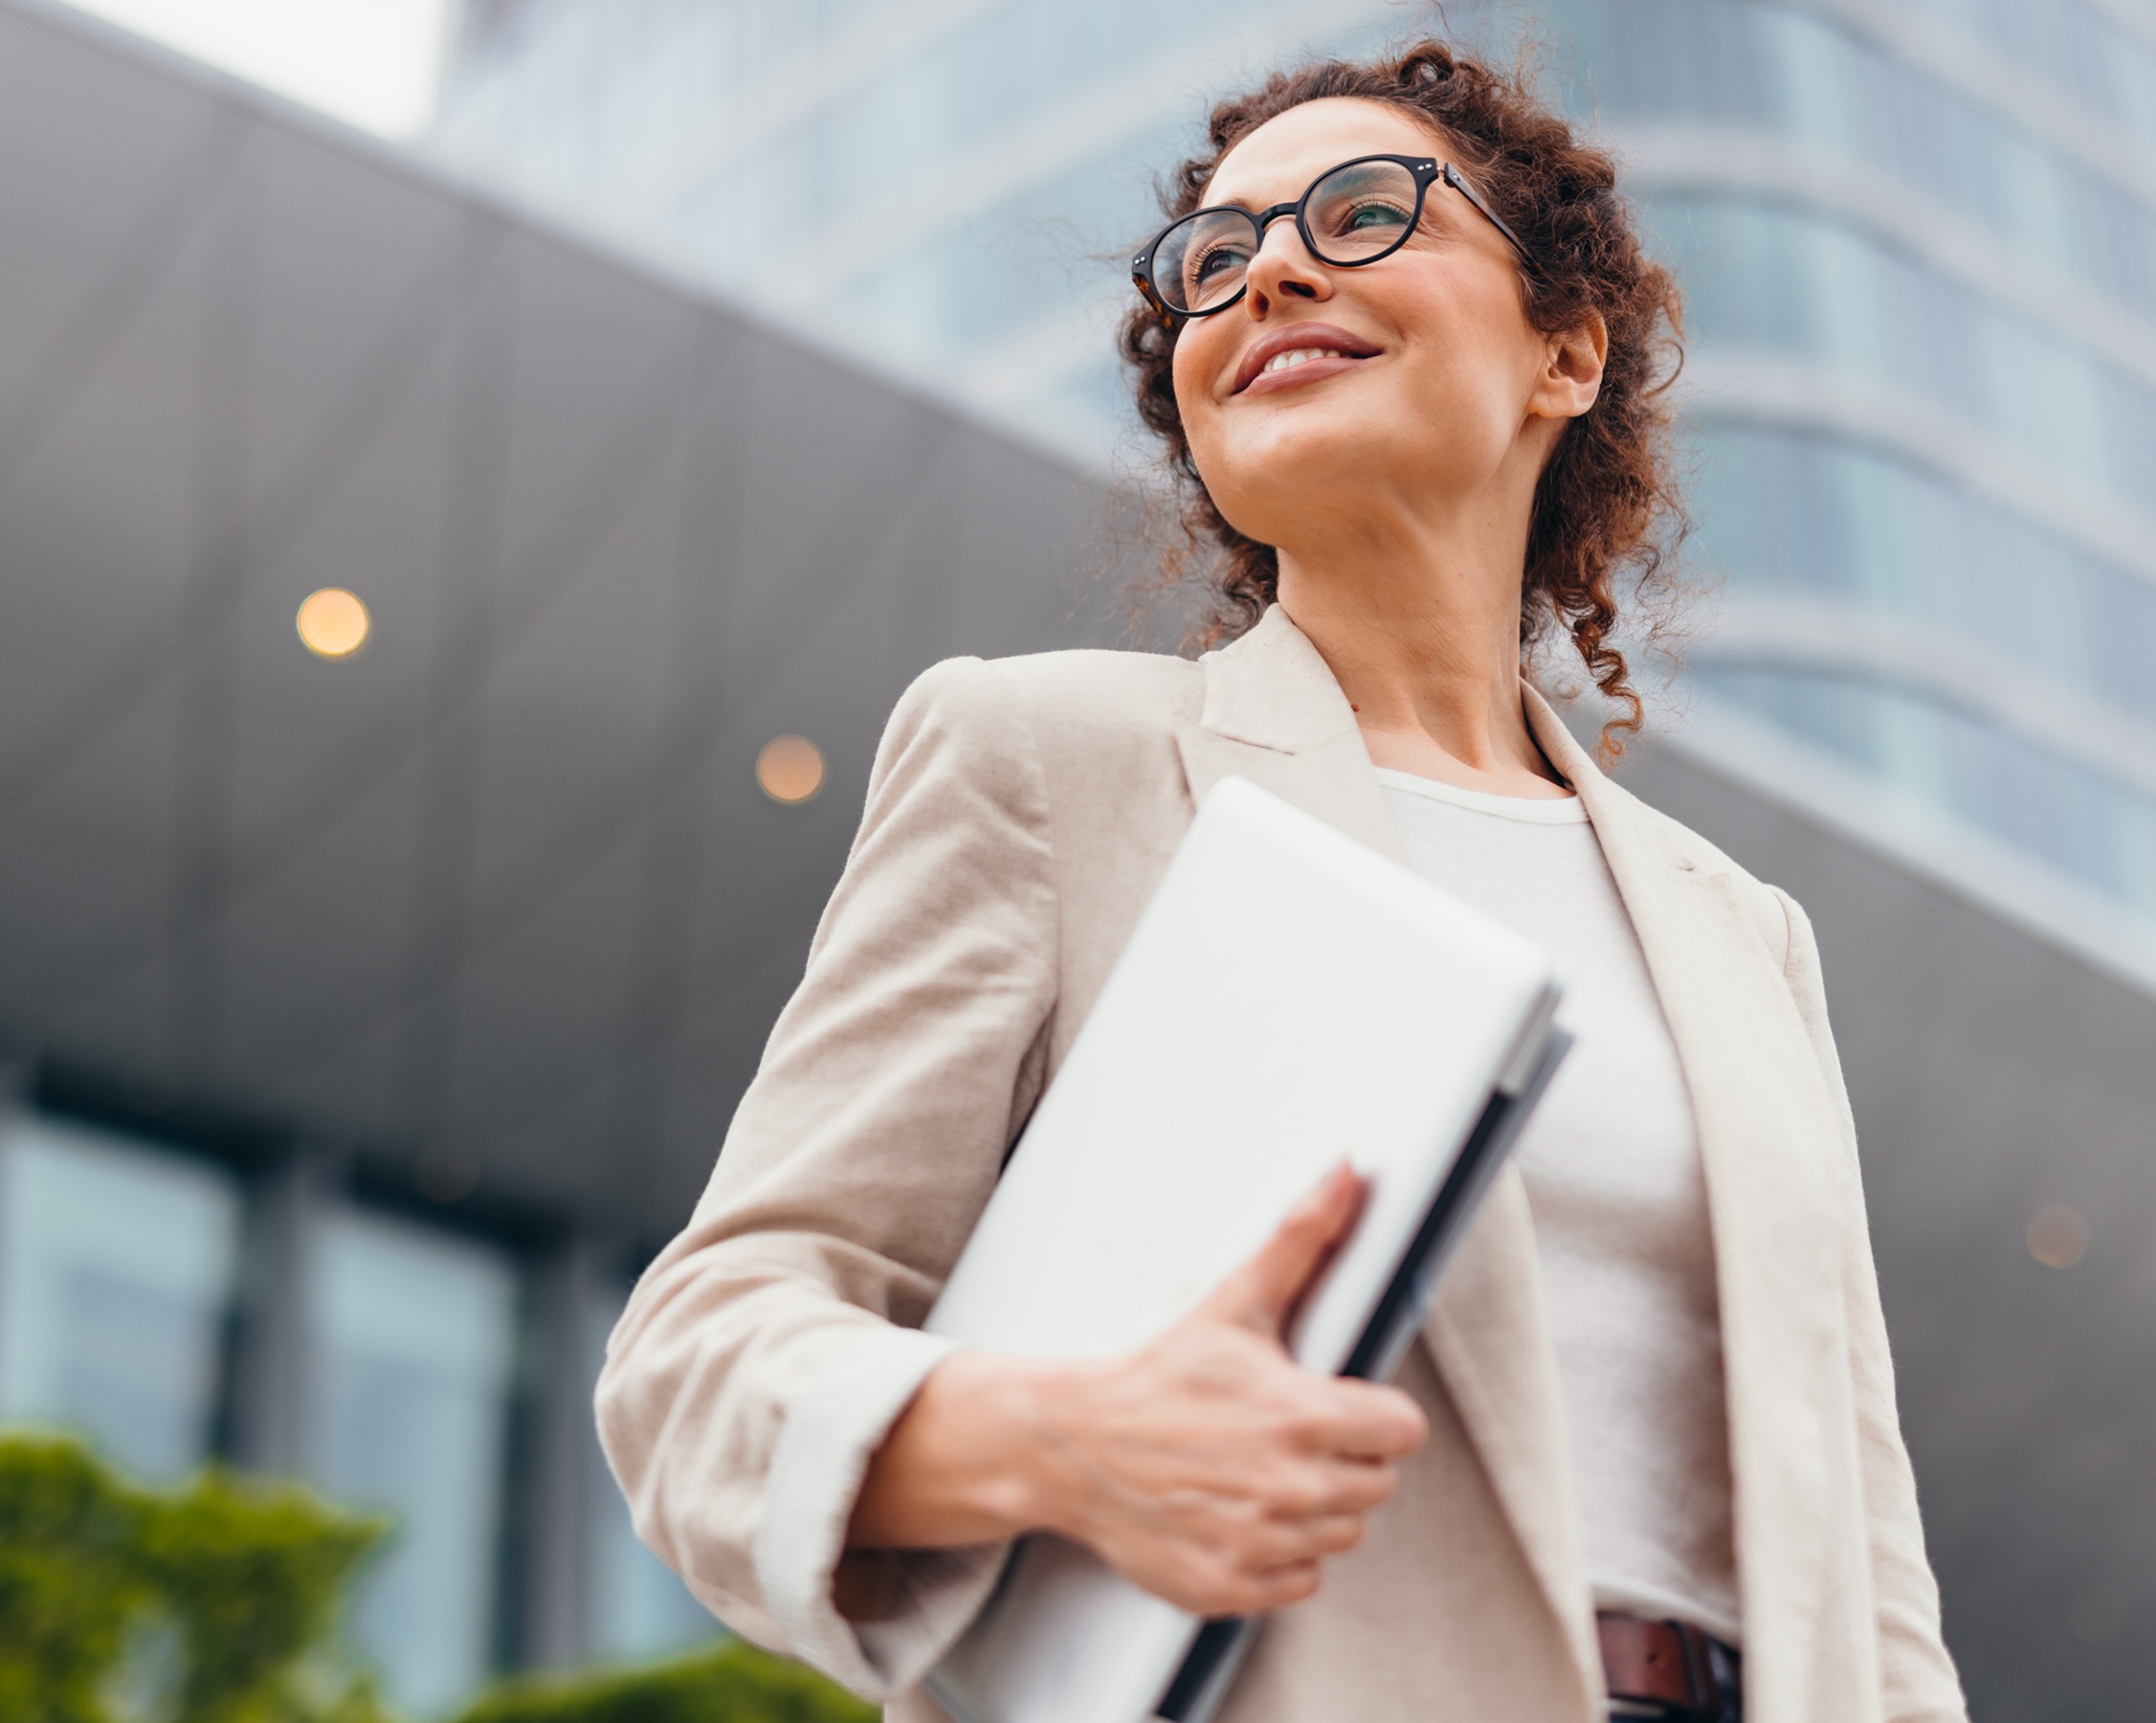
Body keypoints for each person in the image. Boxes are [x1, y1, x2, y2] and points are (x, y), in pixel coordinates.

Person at [596, 42, 1966, 1723]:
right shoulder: (1046, 762)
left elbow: (1866, 1555)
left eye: (1364, 212)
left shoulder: (1741, 932)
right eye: (1215, 262)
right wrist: (1068, 1440)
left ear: (1568, 349)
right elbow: (702, 1357)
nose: (1275, 273)